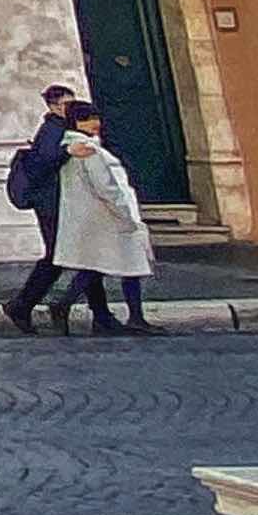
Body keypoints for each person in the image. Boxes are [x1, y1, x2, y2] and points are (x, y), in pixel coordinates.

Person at [49, 100, 154, 337]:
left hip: (94, 218)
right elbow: (106, 187)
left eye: (95, 118)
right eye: (86, 119)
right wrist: (125, 215)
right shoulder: (87, 150)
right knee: (128, 265)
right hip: (107, 217)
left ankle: (66, 304)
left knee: (96, 267)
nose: (94, 124)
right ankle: (135, 317)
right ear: (75, 122)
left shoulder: (75, 147)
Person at [0, 82, 79, 333]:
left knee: (75, 256)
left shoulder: (60, 128)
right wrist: (67, 151)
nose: (71, 109)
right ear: (54, 106)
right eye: (67, 104)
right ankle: (22, 304)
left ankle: (94, 311)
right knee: (57, 257)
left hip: (58, 201)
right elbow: (44, 164)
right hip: (50, 203)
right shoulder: (51, 131)